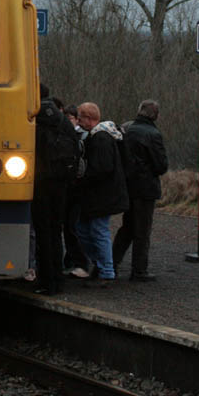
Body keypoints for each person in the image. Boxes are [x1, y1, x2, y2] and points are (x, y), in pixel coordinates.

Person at [113, 99, 169, 281]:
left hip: (128, 186)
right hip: (145, 188)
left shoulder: (126, 130)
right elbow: (161, 165)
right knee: (142, 231)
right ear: (156, 115)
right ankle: (139, 270)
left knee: (127, 227)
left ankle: (111, 262)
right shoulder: (153, 134)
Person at [74, 102, 128, 287]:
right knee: (90, 230)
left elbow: (102, 168)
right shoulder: (102, 137)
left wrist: (82, 178)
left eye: (80, 117)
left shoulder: (100, 139)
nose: (78, 121)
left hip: (101, 195)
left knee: (95, 231)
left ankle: (105, 271)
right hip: (103, 194)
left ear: (89, 119)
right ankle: (103, 268)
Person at [30, 84, 70, 295]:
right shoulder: (64, 121)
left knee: (42, 232)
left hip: (40, 183)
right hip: (61, 184)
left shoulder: (34, 121)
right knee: (56, 232)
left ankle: (46, 281)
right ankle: (58, 279)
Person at [61, 103, 90, 279]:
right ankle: (71, 260)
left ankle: (80, 262)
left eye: (70, 118)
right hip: (71, 188)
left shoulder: (80, 137)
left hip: (76, 189)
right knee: (70, 227)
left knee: (73, 228)